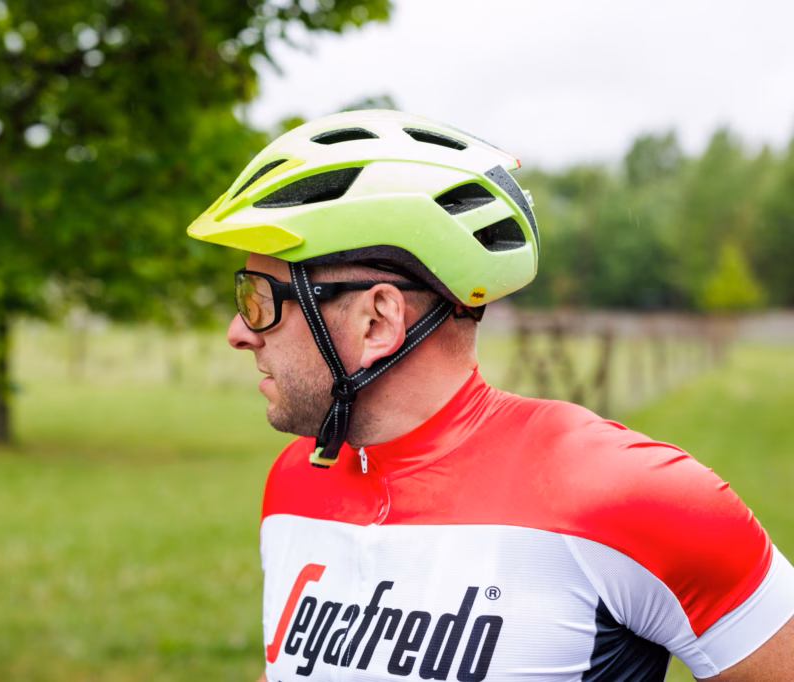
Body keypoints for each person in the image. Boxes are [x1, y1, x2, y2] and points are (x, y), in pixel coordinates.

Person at [187, 110, 794, 681]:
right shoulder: (293, 483)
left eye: (258, 299)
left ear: (377, 321)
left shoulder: (626, 493)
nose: (238, 331)